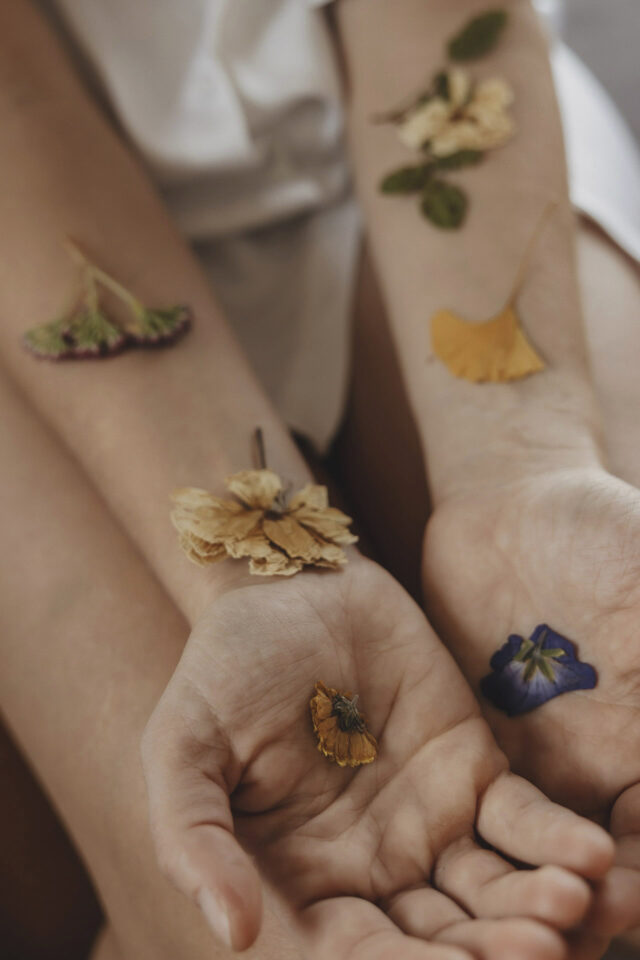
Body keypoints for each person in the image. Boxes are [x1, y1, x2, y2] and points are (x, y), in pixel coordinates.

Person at [1, 1, 639, 959]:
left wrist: (526, 463)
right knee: (227, 931)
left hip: (433, 118)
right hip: (29, 227)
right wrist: (255, 577)